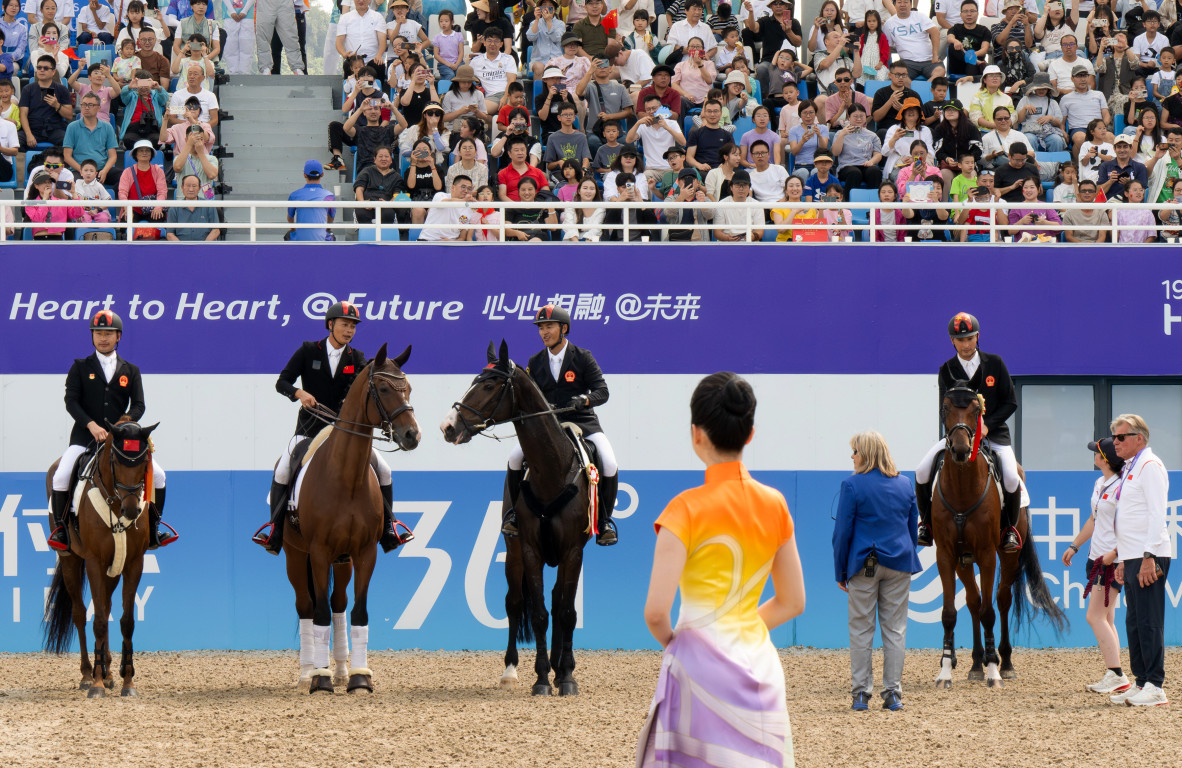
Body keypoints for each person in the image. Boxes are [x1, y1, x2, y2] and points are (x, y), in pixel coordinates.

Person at [638, 371, 803, 767]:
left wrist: (684, 642)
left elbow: (656, 613)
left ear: (696, 434)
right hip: (761, 666)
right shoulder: (775, 503)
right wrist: (742, 627)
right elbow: (792, 601)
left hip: (698, 672)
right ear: (749, 434)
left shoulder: (684, 509)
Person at [253, 300, 412, 555]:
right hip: (309, 429)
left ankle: (389, 528)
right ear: (330, 325)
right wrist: (299, 393)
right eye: (344, 324)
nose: (349, 330)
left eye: (353, 326)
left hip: (344, 432)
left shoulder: (357, 358)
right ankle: (275, 530)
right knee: (283, 469)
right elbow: (281, 382)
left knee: (384, 469)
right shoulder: (308, 351)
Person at [50, 311, 173, 553]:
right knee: (61, 476)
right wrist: (91, 425)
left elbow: (139, 405)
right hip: (85, 437)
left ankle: (153, 527)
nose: (103, 338)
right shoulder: (80, 367)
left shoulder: (131, 369)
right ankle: (62, 531)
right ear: (92, 337)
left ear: (118, 337)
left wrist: (123, 423)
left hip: (121, 440)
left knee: (159, 475)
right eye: (98, 333)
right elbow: (71, 401)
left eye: (108, 333)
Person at [501, 305, 619, 545]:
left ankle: (604, 521)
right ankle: (513, 515)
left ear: (563, 329)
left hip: (583, 423)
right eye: (541, 328)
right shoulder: (535, 361)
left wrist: (585, 400)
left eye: (549, 327)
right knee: (514, 459)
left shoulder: (583, 357)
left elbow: (602, 391)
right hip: (547, 426)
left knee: (609, 462)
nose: (544, 332)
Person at [915, 313, 1023, 553]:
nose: (965, 345)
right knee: (922, 470)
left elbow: (1010, 402)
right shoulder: (947, 369)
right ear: (952, 341)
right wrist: (959, 432)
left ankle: (1009, 531)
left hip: (993, 435)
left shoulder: (995, 363)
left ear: (977, 337)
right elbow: (945, 409)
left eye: (969, 338)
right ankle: (926, 525)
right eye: (960, 340)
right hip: (959, 437)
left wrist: (987, 426)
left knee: (1012, 477)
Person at [833, 430, 920, 712]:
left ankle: (861, 694)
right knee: (895, 630)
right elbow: (912, 528)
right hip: (899, 563)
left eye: (855, 451)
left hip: (863, 565)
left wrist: (840, 570)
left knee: (861, 629)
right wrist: (904, 554)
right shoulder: (906, 484)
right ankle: (892, 693)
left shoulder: (852, 485)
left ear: (866, 454)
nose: (852, 456)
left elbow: (842, 532)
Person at [1107, 414, 1171, 707]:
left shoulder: (1150, 466)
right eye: (1114, 438)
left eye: (1120, 437)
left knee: (1149, 621)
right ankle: (1142, 679)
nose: (1115, 443)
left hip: (1149, 555)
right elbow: (1130, 518)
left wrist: (1148, 556)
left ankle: (1156, 685)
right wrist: (1122, 558)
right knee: (1133, 621)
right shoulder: (1133, 467)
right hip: (1132, 556)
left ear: (1139, 439)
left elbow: (1158, 514)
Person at [1063, 437, 1129, 697]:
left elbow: (1128, 525)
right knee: (1107, 617)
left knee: (1095, 617)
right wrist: (1075, 545)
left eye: (1097, 452)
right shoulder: (1100, 483)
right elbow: (1094, 518)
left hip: (1110, 560)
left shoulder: (1122, 487)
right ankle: (1115, 674)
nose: (1095, 455)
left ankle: (1116, 674)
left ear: (1105, 458)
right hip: (1095, 557)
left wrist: (1117, 556)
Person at [63, 92, 121, 186]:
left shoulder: (107, 127)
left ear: (99, 108)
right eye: (84, 105)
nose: (86, 107)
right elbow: (67, 156)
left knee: (124, 178)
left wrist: (105, 171)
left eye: (91, 105)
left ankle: (108, 198)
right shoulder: (72, 127)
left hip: (100, 170)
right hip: (79, 171)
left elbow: (113, 156)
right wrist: (82, 170)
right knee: (73, 184)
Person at [18, 54, 72, 149]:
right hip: (33, 128)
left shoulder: (62, 89)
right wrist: (29, 134)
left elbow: (69, 115)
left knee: (68, 143)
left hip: (54, 128)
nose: (42, 70)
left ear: (53, 72)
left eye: (46, 68)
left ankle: (60, 163)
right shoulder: (28, 89)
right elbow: (23, 114)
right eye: (39, 68)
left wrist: (57, 105)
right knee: (15, 142)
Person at [883, 0, 944, 82]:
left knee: (940, 71)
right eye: (899, 2)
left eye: (906, 2)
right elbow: (888, 47)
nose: (902, 5)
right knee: (900, 76)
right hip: (907, 62)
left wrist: (935, 55)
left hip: (928, 61)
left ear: (911, 5)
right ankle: (913, 92)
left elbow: (935, 32)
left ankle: (925, 88)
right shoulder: (889, 24)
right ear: (894, 5)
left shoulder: (920, 16)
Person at [286, 159, 335, 241]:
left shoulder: (294, 195)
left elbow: (290, 218)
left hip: (300, 239)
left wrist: (294, 229)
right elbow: (331, 218)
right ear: (322, 174)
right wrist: (327, 229)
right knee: (331, 235)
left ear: (304, 175)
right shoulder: (329, 195)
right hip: (322, 240)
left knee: (289, 234)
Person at [712, 168, 764, 241]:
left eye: (744, 185)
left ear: (749, 188)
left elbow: (760, 231)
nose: (741, 189)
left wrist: (753, 237)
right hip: (727, 245)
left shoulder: (757, 205)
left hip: (749, 245)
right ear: (731, 187)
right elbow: (717, 232)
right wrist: (727, 238)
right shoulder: (722, 204)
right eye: (737, 185)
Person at [165, 173, 221, 240]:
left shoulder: (209, 205)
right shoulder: (174, 208)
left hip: (205, 247)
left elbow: (216, 230)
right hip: (182, 248)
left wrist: (204, 246)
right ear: (182, 187)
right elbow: (170, 234)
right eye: (188, 186)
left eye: (194, 186)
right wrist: (182, 248)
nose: (191, 189)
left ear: (199, 188)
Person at [255, 0, 303, 73]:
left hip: (285, 3)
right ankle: (265, 67)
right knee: (263, 35)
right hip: (265, 3)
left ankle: (296, 66)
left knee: (290, 35)